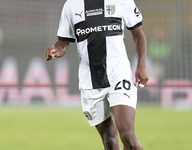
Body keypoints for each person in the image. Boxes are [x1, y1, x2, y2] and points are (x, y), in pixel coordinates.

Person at [45, 0, 148, 149]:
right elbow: (62, 42)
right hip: (90, 82)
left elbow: (138, 34)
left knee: (127, 136)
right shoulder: (71, 5)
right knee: (109, 142)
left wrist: (141, 66)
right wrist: (56, 50)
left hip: (118, 75)